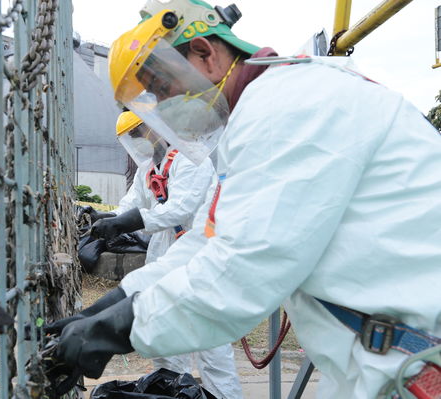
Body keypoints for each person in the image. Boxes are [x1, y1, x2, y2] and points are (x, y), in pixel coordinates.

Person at [48, 1, 441, 398]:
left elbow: (243, 267)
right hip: (381, 361)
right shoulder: (258, 118)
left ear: (204, 53)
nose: (165, 109)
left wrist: (114, 330)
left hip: (415, 362)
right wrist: (110, 306)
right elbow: (205, 242)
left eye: (164, 90)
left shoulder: (292, 104)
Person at [47, 111, 245, 398]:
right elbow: (131, 204)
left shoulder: (190, 160)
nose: (140, 140)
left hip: (196, 247)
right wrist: (105, 216)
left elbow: (181, 208)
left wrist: (128, 222)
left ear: (156, 127)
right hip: (167, 250)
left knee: (210, 346)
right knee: (164, 337)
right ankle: (171, 389)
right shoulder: (148, 170)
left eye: (141, 131)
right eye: (133, 137)